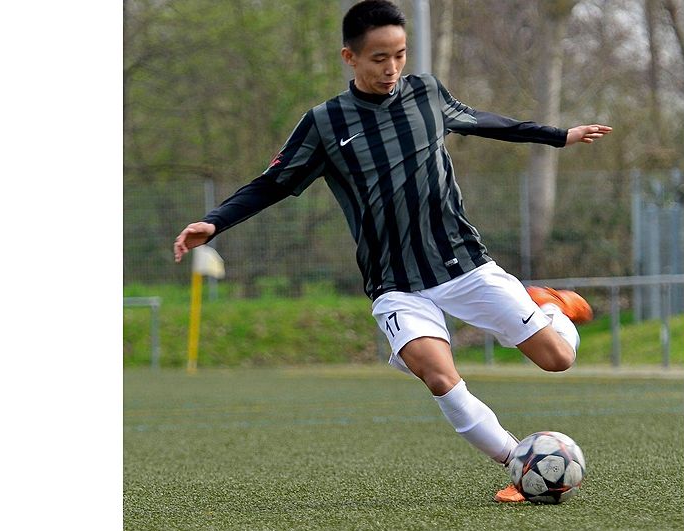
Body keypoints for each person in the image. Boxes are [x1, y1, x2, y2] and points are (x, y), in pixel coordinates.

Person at [173, 0, 612, 503]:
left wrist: (559, 136)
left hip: (461, 263)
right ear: (350, 57)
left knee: (558, 358)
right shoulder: (324, 123)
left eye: (399, 55)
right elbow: (272, 183)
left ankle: (551, 308)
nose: (392, 68)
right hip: (395, 283)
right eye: (379, 57)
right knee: (439, 375)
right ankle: (519, 464)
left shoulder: (426, 93)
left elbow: (484, 121)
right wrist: (215, 221)